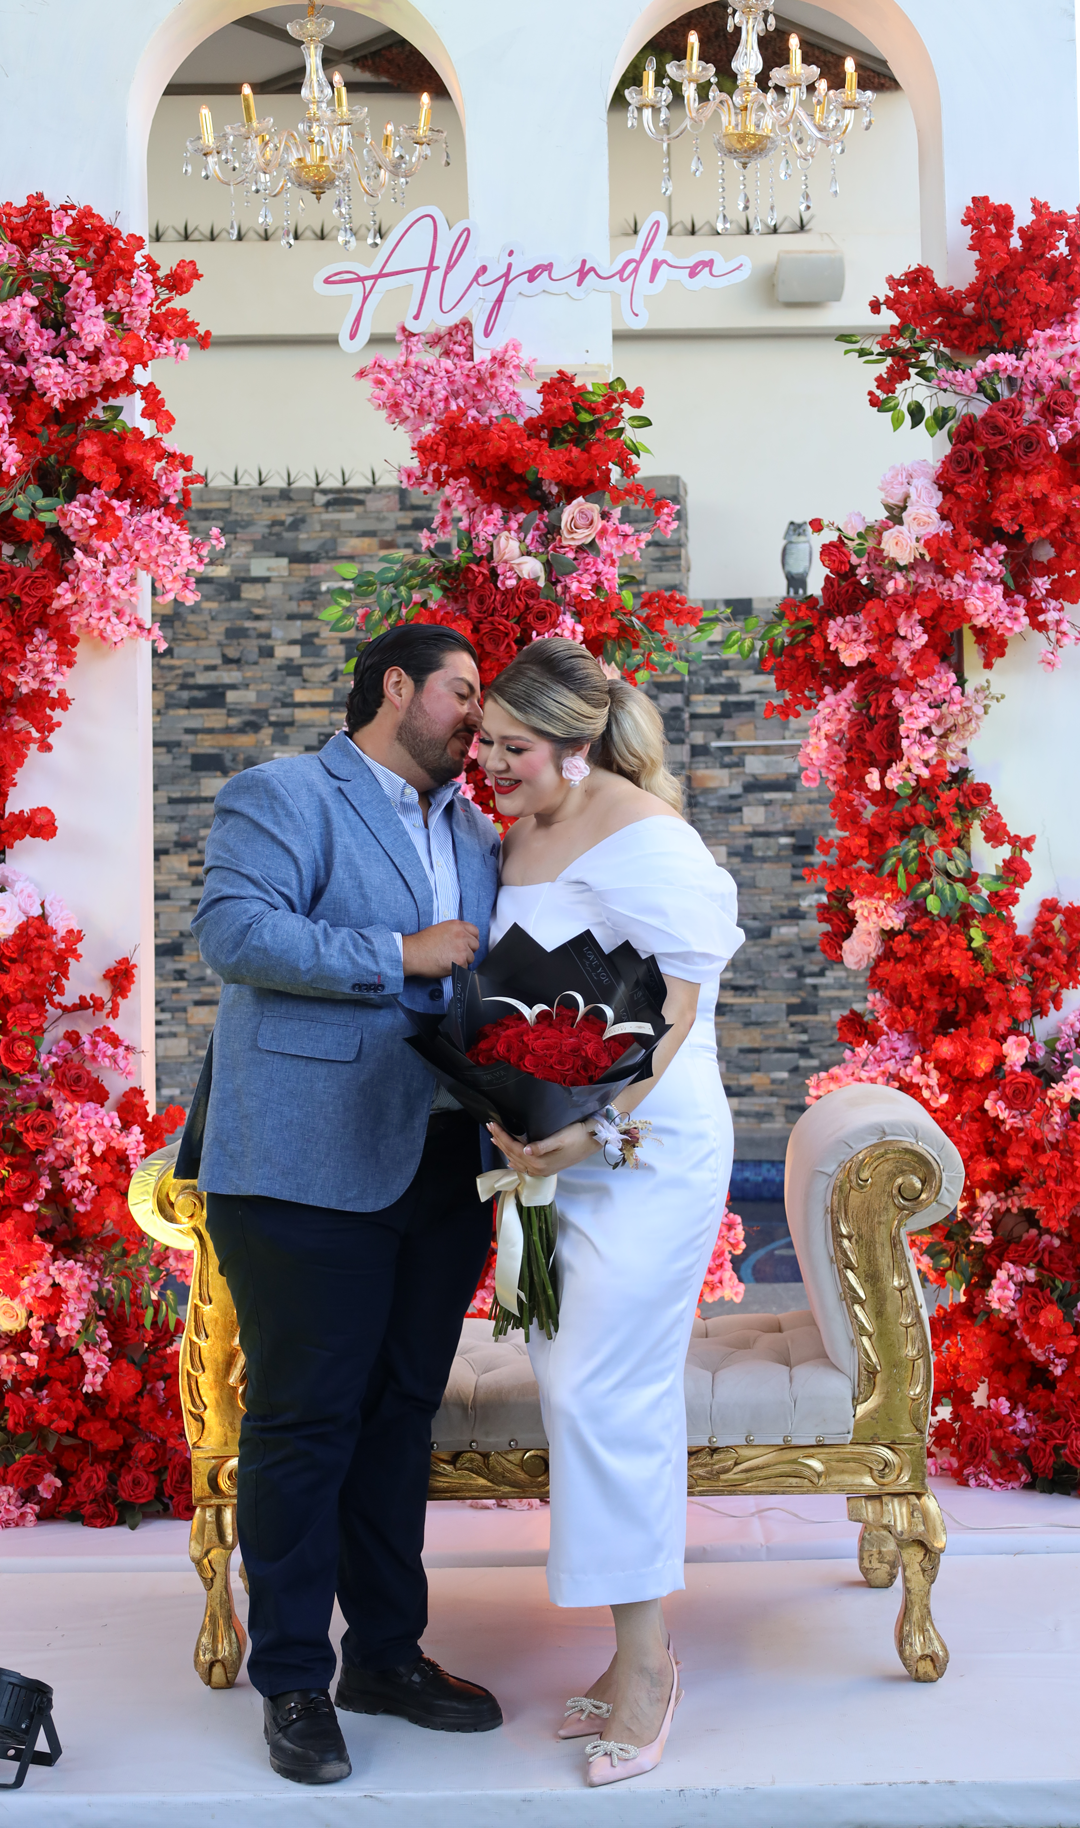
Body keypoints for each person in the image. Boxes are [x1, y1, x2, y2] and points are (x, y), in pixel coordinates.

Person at [191, 623, 504, 1787]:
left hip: (442, 1162)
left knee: (398, 1416)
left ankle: (384, 1655)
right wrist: (398, 953)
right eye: (462, 691)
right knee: (304, 1420)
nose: (476, 716)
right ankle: (291, 1682)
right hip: (302, 1165)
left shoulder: (476, 830)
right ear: (396, 687)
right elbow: (235, 933)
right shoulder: (284, 794)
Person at [476, 637, 744, 1790]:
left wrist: (601, 1128)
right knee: (573, 1381)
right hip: (557, 1149)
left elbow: (677, 1010)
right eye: (484, 741)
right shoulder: (520, 832)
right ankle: (630, 1647)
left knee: (604, 1390)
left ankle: (646, 1667)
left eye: (513, 747)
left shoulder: (646, 834)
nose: (490, 763)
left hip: (646, 1147)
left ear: (576, 747)